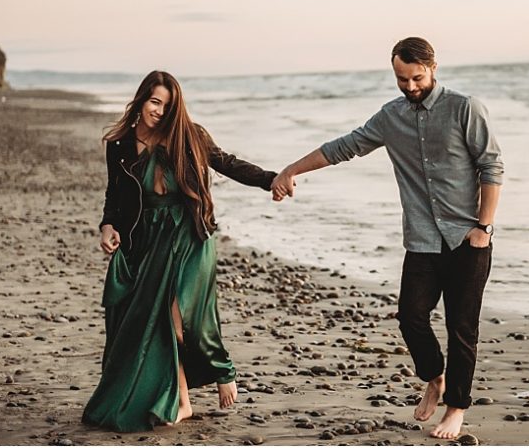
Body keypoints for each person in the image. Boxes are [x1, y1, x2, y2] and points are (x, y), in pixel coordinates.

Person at [271, 37, 503, 442]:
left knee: (461, 328)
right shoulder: (389, 117)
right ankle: (434, 377)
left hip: (468, 240)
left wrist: (483, 228)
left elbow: (492, 167)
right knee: (411, 317)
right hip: (422, 240)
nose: (410, 86)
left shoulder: (465, 108)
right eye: (401, 79)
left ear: (433, 68)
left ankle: (457, 410)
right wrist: (292, 168)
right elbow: (343, 147)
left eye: (416, 78)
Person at [83, 71, 277, 432]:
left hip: (189, 233)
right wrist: (108, 226)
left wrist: (271, 179)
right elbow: (115, 194)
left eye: (167, 105)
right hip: (146, 239)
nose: (160, 110)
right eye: (155, 101)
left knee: (182, 315)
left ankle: (224, 372)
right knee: (155, 322)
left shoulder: (189, 134)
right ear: (141, 99)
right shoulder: (120, 144)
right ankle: (183, 401)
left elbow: (228, 164)